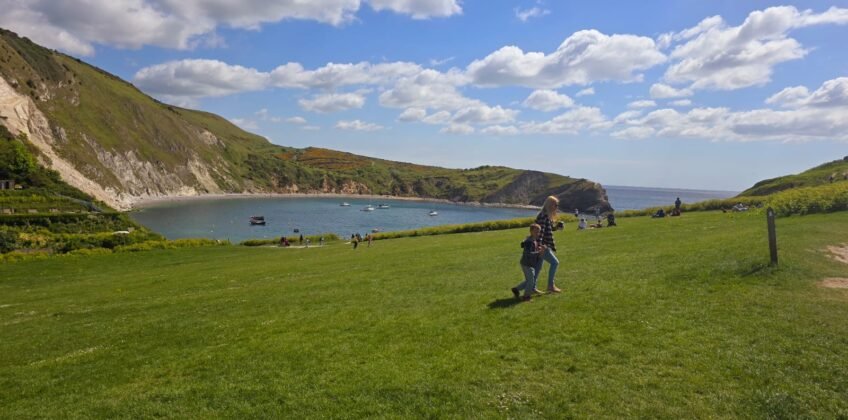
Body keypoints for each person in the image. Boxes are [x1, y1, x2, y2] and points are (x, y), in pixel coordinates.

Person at [526, 196, 562, 293]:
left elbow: (546, 230)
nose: (557, 207)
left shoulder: (545, 216)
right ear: (550, 205)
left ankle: (532, 288)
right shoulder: (543, 216)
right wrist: (541, 247)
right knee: (555, 263)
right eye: (555, 205)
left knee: (538, 267)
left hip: (541, 245)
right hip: (543, 246)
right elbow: (539, 233)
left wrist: (555, 228)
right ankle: (550, 285)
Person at [511, 224, 545, 301]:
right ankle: (526, 296)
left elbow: (531, 249)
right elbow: (528, 253)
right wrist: (539, 252)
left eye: (538, 232)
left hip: (528, 263)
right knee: (531, 281)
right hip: (526, 264)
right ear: (531, 231)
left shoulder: (532, 240)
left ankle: (516, 289)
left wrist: (538, 248)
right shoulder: (529, 241)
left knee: (529, 280)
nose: (537, 233)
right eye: (535, 231)